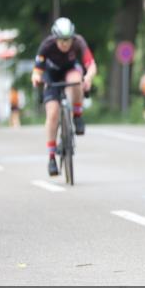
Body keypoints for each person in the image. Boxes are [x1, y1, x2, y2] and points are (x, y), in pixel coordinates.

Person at [30, 17, 97, 177]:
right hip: (51, 76)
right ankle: (52, 157)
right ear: (55, 38)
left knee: (76, 80)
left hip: (70, 71)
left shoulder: (78, 42)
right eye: (61, 40)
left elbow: (91, 65)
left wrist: (88, 77)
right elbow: (37, 70)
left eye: (67, 40)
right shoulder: (47, 45)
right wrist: (36, 78)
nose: (65, 44)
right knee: (52, 114)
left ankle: (77, 115)